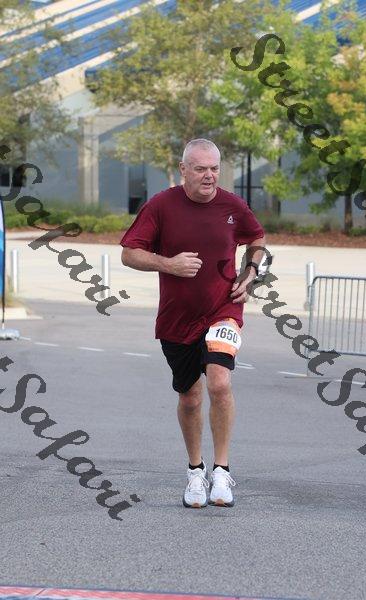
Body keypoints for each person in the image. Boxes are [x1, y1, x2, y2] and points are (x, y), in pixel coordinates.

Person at [120, 139, 265, 508]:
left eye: (214, 168)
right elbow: (129, 253)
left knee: (219, 382)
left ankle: (222, 471)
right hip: (177, 318)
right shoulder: (161, 206)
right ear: (183, 170)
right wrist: (168, 264)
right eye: (200, 168)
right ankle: (195, 471)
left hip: (223, 310)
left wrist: (250, 272)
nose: (209, 175)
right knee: (189, 397)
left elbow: (257, 239)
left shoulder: (233, 206)